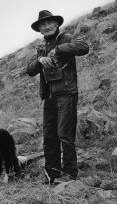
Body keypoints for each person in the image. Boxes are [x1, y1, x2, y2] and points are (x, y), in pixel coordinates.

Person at [27, 10, 89, 184]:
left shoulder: (66, 38)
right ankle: (52, 174)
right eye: (42, 25)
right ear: (39, 30)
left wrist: (59, 49)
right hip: (49, 97)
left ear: (56, 24)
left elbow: (84, 47)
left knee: (64, 135)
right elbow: (30, 70)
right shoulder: (41, 49)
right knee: (49, 137)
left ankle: (69, 175)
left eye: (49, 23)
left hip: (67, 94)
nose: (46, 26)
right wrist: (40, 61)